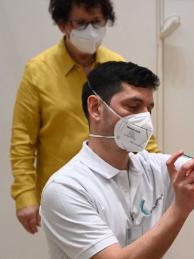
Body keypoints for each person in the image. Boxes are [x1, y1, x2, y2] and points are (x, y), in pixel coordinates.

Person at [40, 61, 194, 259]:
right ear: (95, 108)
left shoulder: (151, 166)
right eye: (134, 106)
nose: (145, 118)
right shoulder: (66, 188)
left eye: (149, 109)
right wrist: (179, 210)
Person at [10, 0, 160, 235]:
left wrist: (158, 168)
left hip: (118, 182)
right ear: (62, 25)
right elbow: (22, 139)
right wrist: (24, 194)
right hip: (65, 190)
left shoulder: (116, 65)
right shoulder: (37, 71)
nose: (90, 30)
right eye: (81, 23)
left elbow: (137, 122)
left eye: (96, 22)